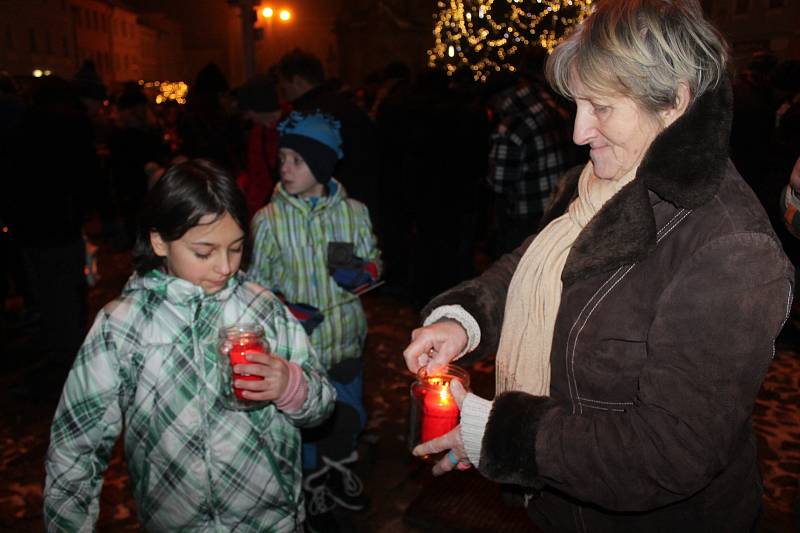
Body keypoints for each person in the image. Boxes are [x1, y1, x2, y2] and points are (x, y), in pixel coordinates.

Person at [402, 1, 794, 531]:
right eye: (578, 105)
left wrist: (494, 432)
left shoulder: (732, 248)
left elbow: (668, 453)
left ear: (673, 104)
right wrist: (463, 320)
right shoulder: (598, 181)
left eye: (601, 107)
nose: (579, 132)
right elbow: (534, 265)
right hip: (559, 506)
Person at [43, 159, 335, 532]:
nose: (225, 267)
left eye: (236, 248)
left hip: (270, 519)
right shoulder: (124, 326)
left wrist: (290, 385)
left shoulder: (262, 308)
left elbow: (322, 405)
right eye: (204, 252)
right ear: (159, 241)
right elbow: (76, 446)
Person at [249, 111, 381, 531]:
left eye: (296, 161)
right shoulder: (268, 220)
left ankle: (339, 471)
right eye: (282, 158)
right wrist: (284, 309)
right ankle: (312, 485)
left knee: (346, 415)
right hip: (298, 350)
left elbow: (376, 266)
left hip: (344, 339)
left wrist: (360, 274)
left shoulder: (354, 213)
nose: (283, 167)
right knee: (305, 424)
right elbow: (255, 286)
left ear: (321, 166)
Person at [487, 45, 577, 256]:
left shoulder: (511, 126)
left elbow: (499, 183)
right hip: (560, 209)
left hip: (525, 218)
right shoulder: (554, 108)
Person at [276, 49, 380, 220]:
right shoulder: (351, 109)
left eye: (284, 86)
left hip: (322, 211)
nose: (283, 93)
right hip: (360, 204)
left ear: (297, 81)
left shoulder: (301, 119)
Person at [233, 72, 283, 217]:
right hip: (264, 209)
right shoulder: (257, 134)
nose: (247, 117)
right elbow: (255, 174)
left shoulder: (294, 127)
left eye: (248, 112)